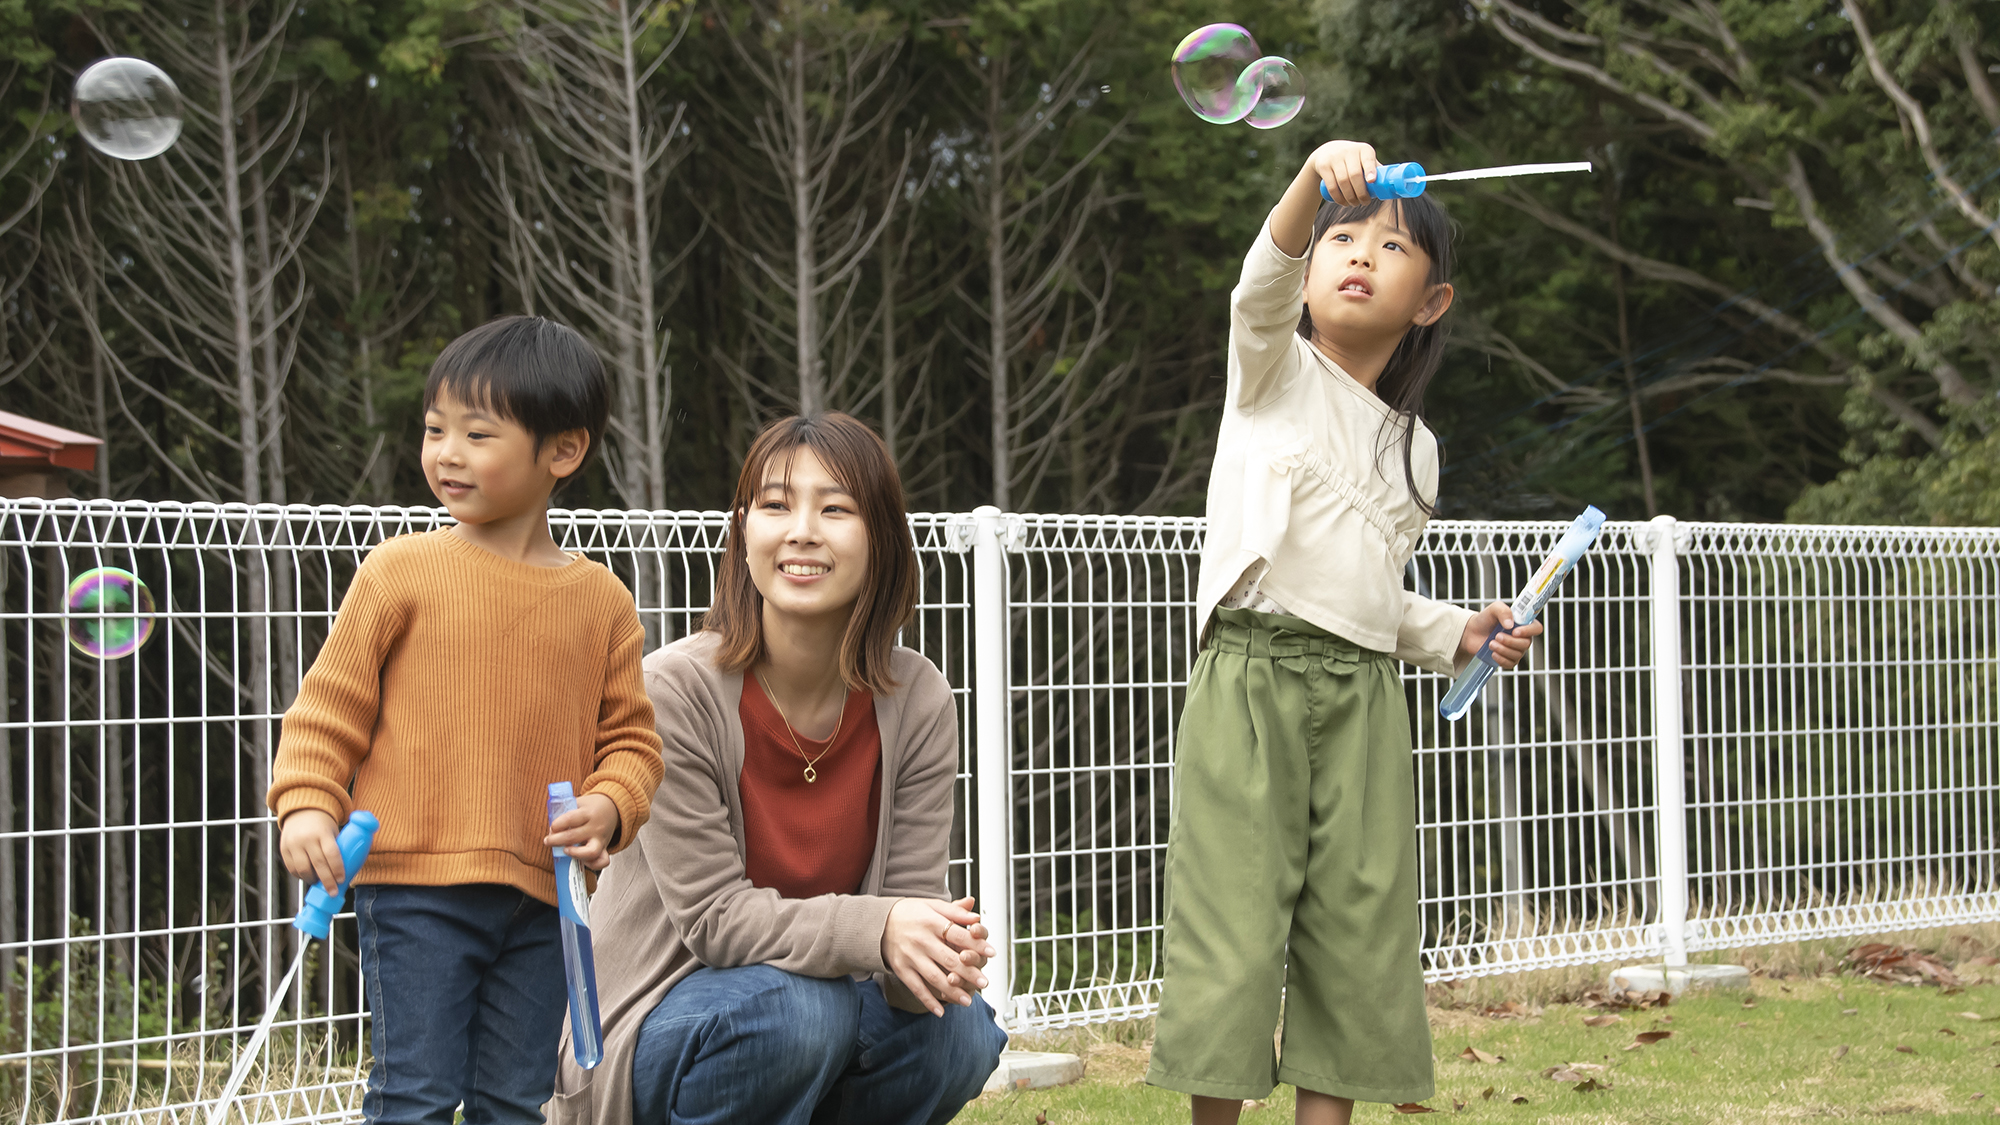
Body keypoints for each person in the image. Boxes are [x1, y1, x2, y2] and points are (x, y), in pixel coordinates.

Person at [1141, 142, 1545, 1125]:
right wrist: (1310, 183)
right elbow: (1259, 279)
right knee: (1231, 924)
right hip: (1249, 677)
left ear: (1429, 303)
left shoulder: (1418, 451)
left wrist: (1460, 630)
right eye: (1342, 237)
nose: (1358, 252)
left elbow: (1373, 593)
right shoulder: (1270, 365)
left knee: (1358, 931)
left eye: (1391, 245)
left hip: (1361, 696)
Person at [550, 413, 1007, 1125]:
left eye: (835, 508)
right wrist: (882, 927)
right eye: (775, 504)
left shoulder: (917, 698)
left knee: (961, 1030)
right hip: (660, 1019)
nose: (801, 530)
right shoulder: (674, 689)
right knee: (801, 1011)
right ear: (743, 529)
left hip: (809, 1011)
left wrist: (936, 951)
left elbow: (900, 923)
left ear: (881, 537)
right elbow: (715, 920)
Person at [268, 315, 667, 1125]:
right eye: (434, 429)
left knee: (515, 1101)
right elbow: (328, 707)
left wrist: (610, 805)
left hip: (545, 897)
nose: (446, 452)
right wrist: (307, 800)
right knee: (416, 1093)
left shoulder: (603, 603)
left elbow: (631, 742)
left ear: (562, 451)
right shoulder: (399, 572)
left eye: (477, 433)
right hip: (416, 885)